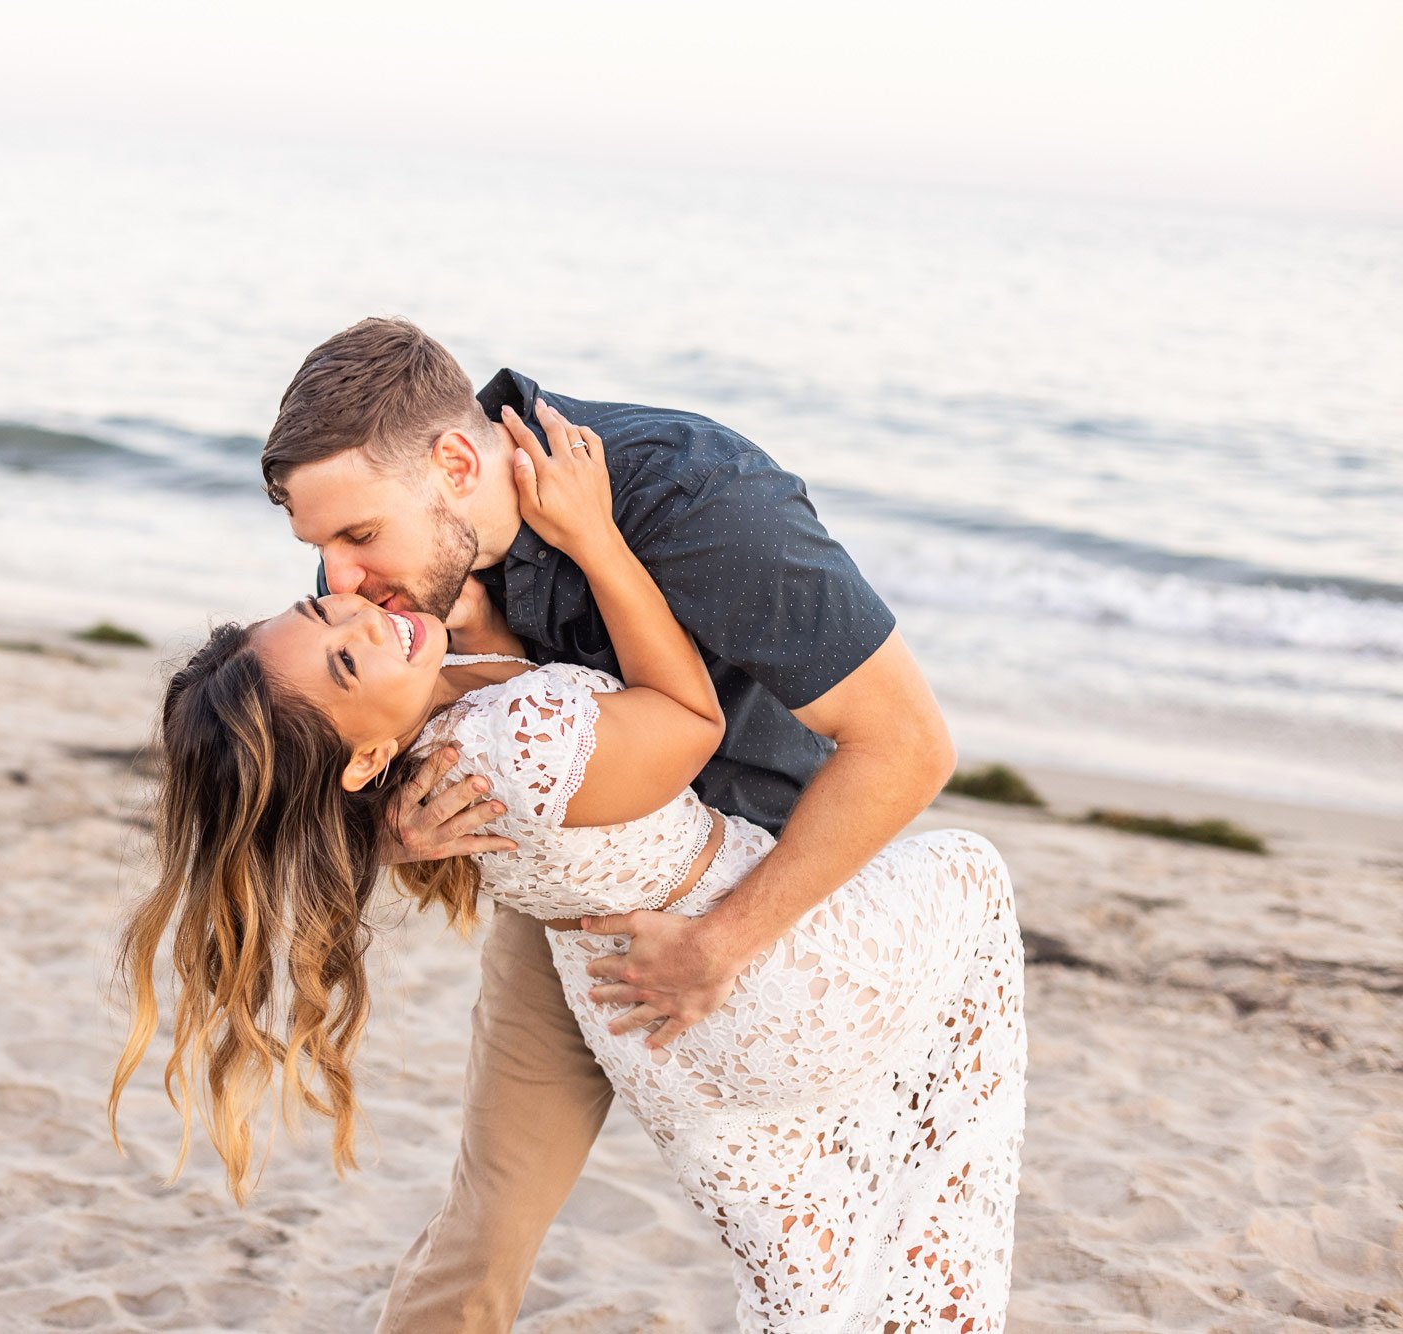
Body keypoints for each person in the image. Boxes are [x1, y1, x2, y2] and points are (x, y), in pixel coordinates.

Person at [109, 403, 1026, 1328]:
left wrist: (722, 941)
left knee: (824, 1244)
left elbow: (908, 748)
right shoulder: (381, 601)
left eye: (357, 538)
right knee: (493, 1225)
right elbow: (328, 754)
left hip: (753, 911)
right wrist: (386, 826)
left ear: (456, 464)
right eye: (321, 556)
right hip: (597, 944)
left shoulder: (696, 497)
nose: (344, 580)